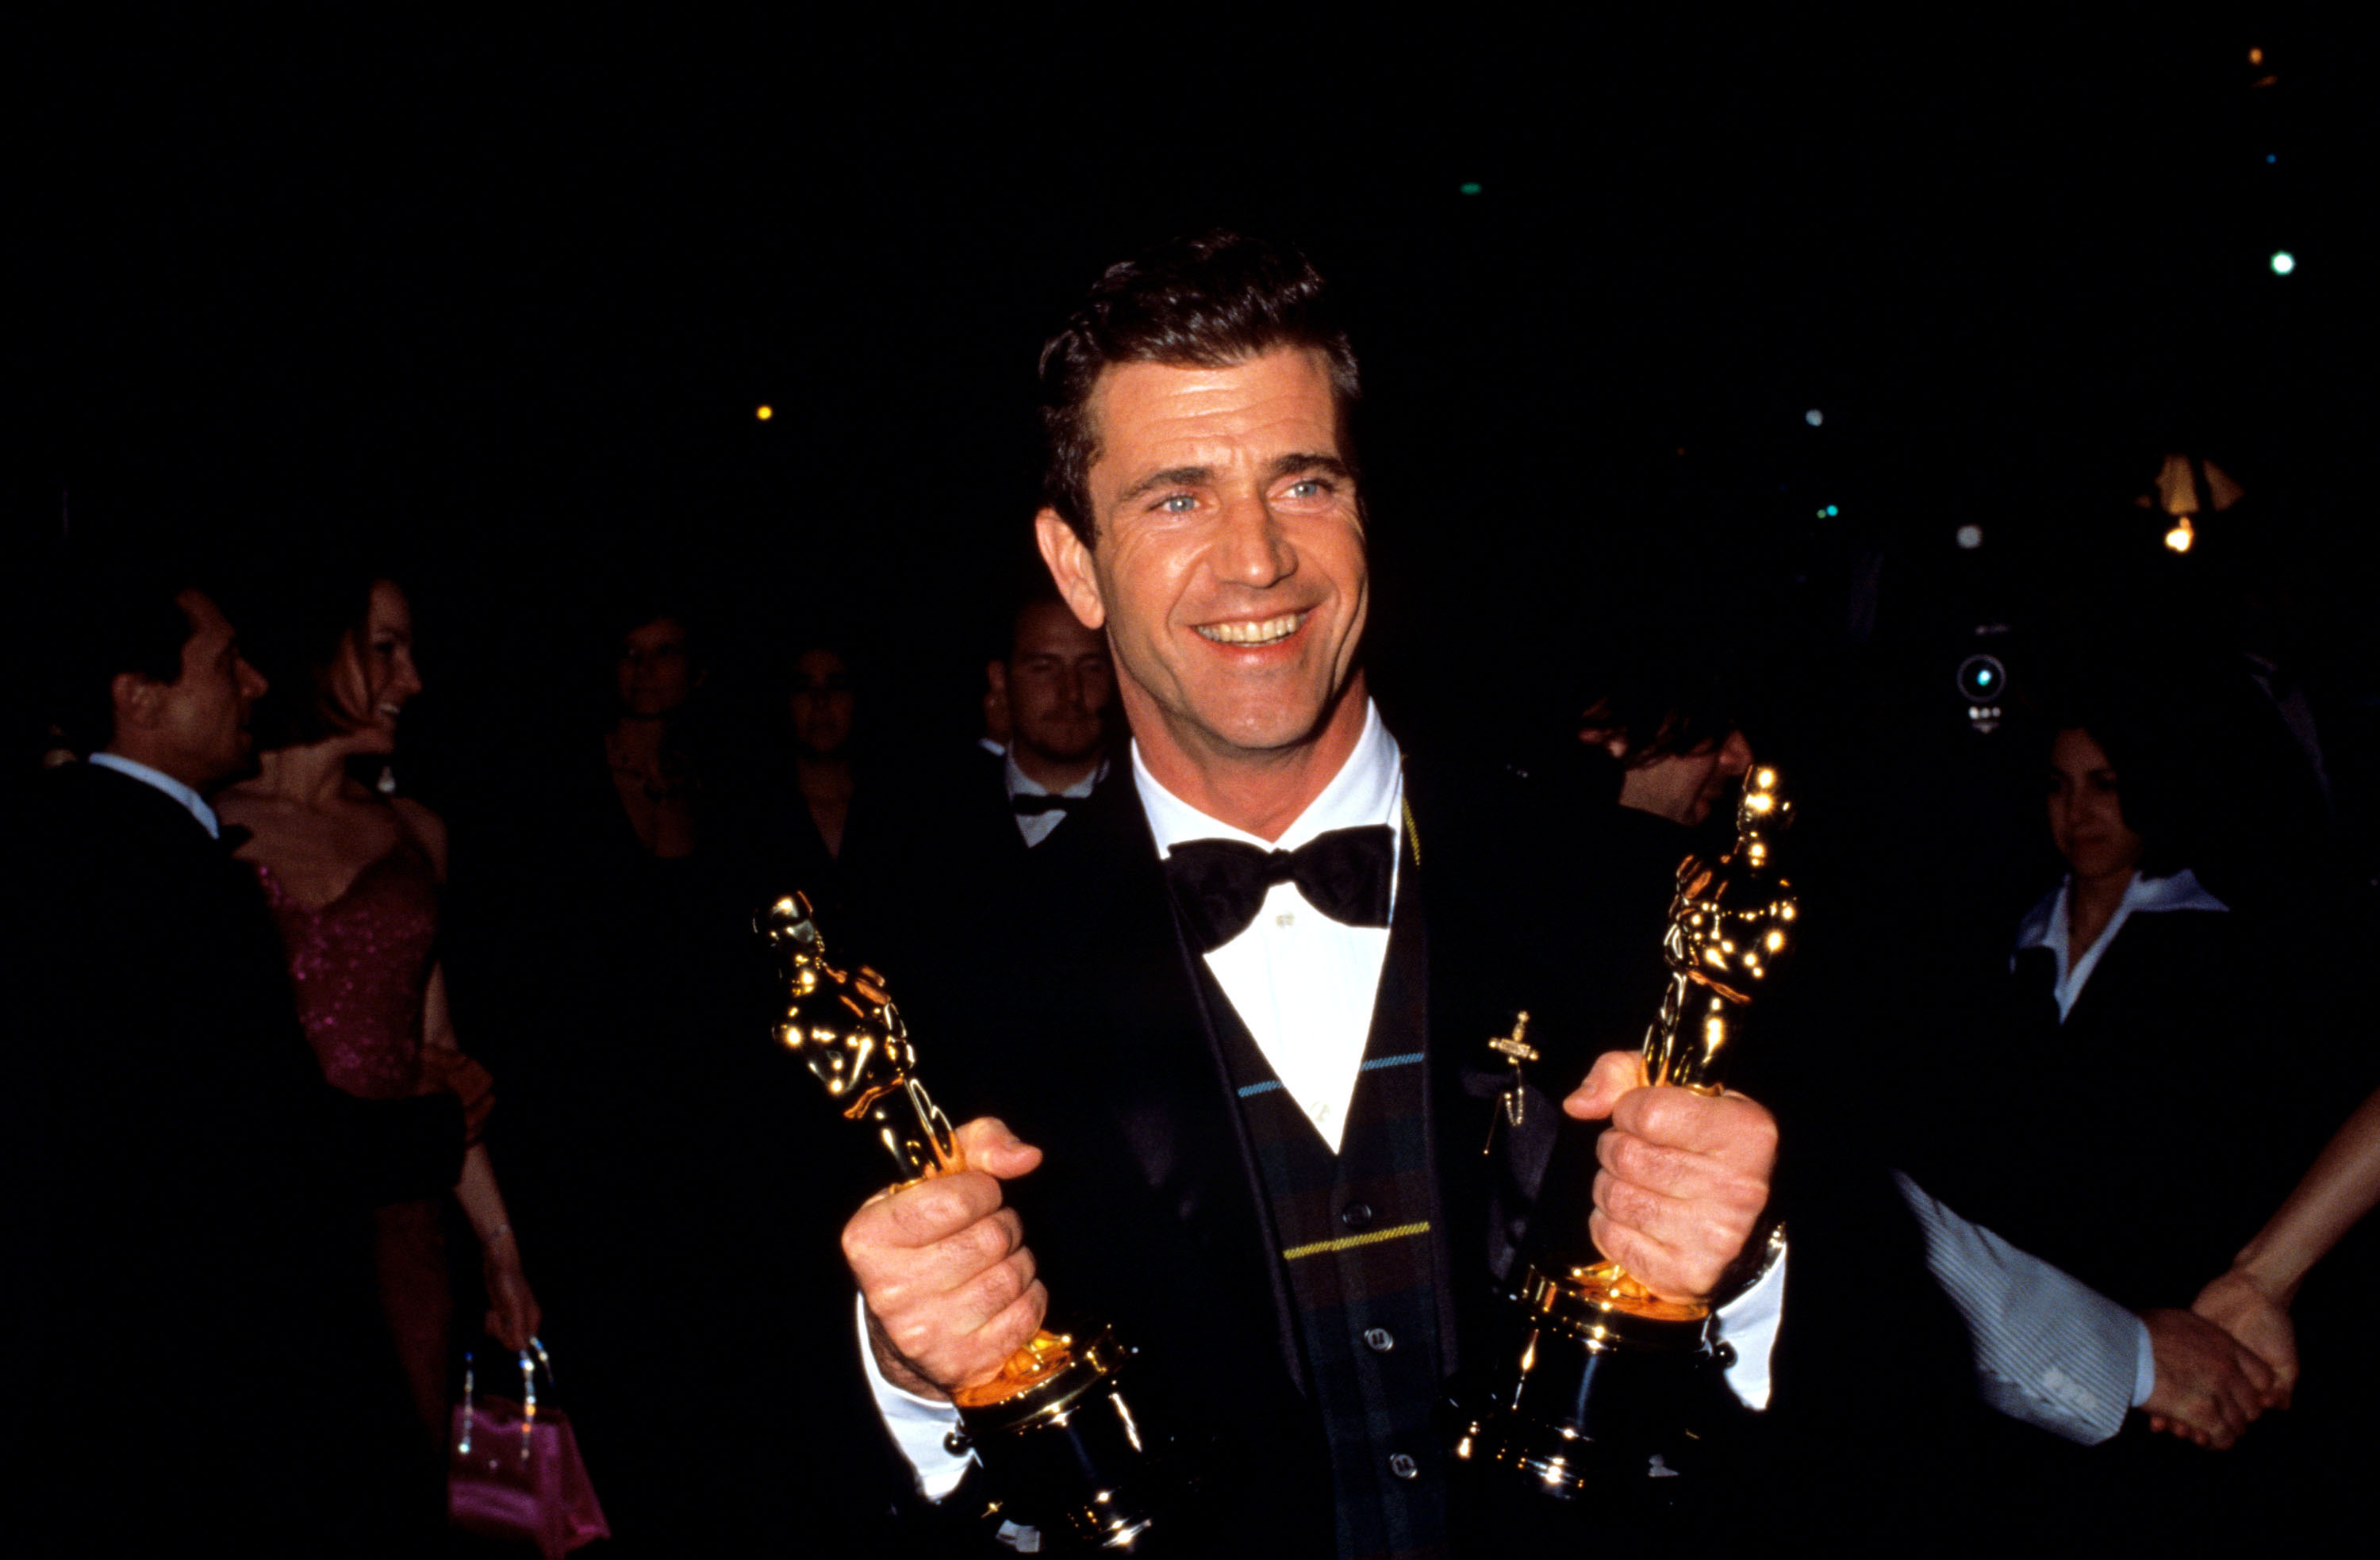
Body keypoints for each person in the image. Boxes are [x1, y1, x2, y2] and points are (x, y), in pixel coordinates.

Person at [831, 233, 1783, 1558]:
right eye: (1175, 497)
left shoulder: (1640, 902)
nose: (1259, 560)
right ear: (1074, 563)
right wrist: (920, 1368)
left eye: (1302, 482)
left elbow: (1888, 1406)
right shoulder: (947, 985)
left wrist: (1750, 1275)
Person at [12, 569, 465, 1554]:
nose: (255, 683)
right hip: (204, 1330)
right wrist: (439, 1123)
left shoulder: (65, 836)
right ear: (141, 697)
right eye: (224, 664)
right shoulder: (166, 871)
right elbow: (251, 1139)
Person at [217, 572, 543, 1448]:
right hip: (253, 1228)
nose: (413, 679)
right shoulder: (204, 829)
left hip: (403, 1226)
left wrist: (501, 1248)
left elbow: (438, 1054)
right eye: (387, 649)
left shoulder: (415, 833)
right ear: (320, 650)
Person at [981, 588, 1119, 849]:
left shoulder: (1158, 809)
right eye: (1044, 668)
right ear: (1000, 680)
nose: (1072, 693)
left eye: (1091, 668)